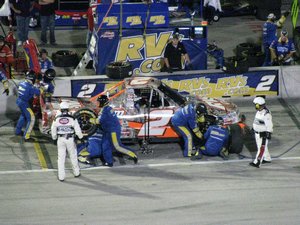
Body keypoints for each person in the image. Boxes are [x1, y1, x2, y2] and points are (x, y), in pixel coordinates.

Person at [90, 95, 138, 164]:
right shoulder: (106, 108)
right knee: (105, 146)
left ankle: (133, 155)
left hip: (113, 131)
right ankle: (109, 162)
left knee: (117, 146)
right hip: (107, 131)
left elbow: (98, 121)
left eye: (98, 102)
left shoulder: (105, 110)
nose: (97, 103)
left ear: (102, 102)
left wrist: (90, 120)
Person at [51, 101, 83, 181]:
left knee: (61, 158)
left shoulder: (56, 119)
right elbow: (78, 130)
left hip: (60, 140)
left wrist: (54, 138)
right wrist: (80, 137)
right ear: (68, 109)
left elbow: (53, 130)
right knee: (73, 156)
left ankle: (61, 177)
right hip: (70, 139)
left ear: (60, 109)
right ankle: (76, 173)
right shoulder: (72, 118)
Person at [15, 71, 41, 141]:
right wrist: (40, 87)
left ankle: (17, 131)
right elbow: (39, 92)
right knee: (32, 118)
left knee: (23, 115)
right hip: (24, 103)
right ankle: (26, 136)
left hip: (19, 101)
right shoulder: (30, 87)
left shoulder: (21, 83)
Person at [249, 97, 273, 168]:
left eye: (256, 105)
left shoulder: (266, 114)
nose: (255, 106)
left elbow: (269, 125)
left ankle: (257, 162)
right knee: (263, 147)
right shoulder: (259, 111)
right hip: (257, 133)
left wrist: (268, 133)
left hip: (263, 134)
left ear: (259, 105)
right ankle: (267, 158)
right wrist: (253, 128)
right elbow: (256, 121)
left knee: (261, 148)